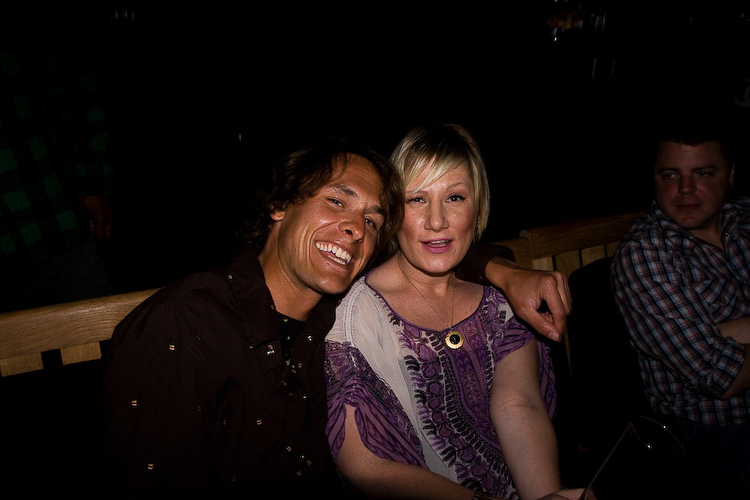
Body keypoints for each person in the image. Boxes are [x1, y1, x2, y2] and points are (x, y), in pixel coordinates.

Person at [102, 134, 572, 499]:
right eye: (336, 201)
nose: (353, 228)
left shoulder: (321, 314)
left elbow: (436, 259)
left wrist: (505, 271)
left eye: (371, 220)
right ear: (279, 203)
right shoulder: (180, 330)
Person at [325, 124, 581, 500]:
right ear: (394, 210)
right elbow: (365, 465)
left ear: (478, 208)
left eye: (455, 197)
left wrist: (546, 497)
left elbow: (518, 404)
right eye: (417, 199)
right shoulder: (355, 314)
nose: (437, 221)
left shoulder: (502, 300)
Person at [611, 113, 750, 495]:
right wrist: (716, 341)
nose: (686, 190)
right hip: (714, 427)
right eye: (670, 175)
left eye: (703, 173)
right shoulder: (645, 253)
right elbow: (722, 377)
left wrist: (717, 334)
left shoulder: (744, 218)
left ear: (731, 176)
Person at [0, 29, 114, 312]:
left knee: (89, 333)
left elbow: (76, 83)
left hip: (48, 226)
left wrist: (92, 182)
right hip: (49, 229)